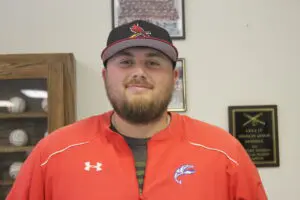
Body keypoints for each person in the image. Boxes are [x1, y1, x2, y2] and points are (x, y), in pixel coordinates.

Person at [6, 20, 268, 200]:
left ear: (174, 77)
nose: (139, 72)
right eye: (126, 62)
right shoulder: (52, 153)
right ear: (105, 75)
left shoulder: (224, 154)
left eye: (153, 62)